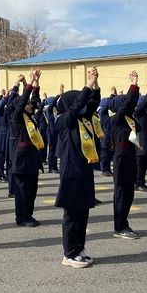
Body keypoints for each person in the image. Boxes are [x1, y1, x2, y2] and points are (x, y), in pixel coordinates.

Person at [55, 67, 100, 268]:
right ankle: (69, 253)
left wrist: (95, 83)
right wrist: (88, 83)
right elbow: (77, 107)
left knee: (83, 211)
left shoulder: (83, 120)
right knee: (72, 213)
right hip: (71, 171)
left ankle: (79, 248)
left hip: (84, 169)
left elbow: (93, 103)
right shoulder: (65, 120)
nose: (82, 107)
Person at [11, 68, 44, 227]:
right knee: (22, 192)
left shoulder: (30, 117)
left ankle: (28, 215)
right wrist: (27, 84)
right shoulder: (17, 118)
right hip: (21, 162)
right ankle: (21, 217)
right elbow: (23, 100)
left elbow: (35, 99)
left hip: (32, 160)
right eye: (28, 104)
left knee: (31, 191)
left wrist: (36, 82)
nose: (31, 105)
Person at [110, 71, 141, 239]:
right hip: (121, 159)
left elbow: (132, 103)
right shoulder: (117, 118)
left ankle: (124, 223)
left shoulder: (130, 119)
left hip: (130, 157)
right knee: (122, 193)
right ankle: (119, 226)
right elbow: (128, 103)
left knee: (129, 193)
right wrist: (134, 85)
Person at [99, 87, 116, 177]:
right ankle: (104, 169)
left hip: (110, 135)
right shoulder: (103, 113)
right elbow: (107, 105)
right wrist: (112, 95)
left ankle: (108, 169)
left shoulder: (109, 114)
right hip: (105, 136)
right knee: (105, 154)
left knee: (109, 154)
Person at [46, 85, 63, 173]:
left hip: (57, 133)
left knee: (56, 150)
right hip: (51, 133)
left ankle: (55, 166)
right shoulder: (49, 110)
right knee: (52, 151)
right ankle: (51, 167)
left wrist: (62, 95)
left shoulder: (56, 110)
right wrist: (58, 95)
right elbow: (52, 104)